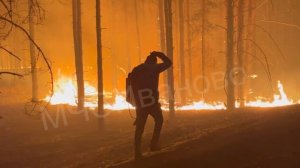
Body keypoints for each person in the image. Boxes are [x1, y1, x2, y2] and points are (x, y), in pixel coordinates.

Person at [130, 51, 172, 160]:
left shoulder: (137, 69)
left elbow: (130, 83)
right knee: (159, 120)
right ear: (154, 61)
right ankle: (153, 145)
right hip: (152, 102)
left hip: (141, 103)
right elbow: (168, 63)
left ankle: (137, 154)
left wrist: (134, 102)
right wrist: (159, 54)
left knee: (140, 128)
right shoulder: (155, 68)